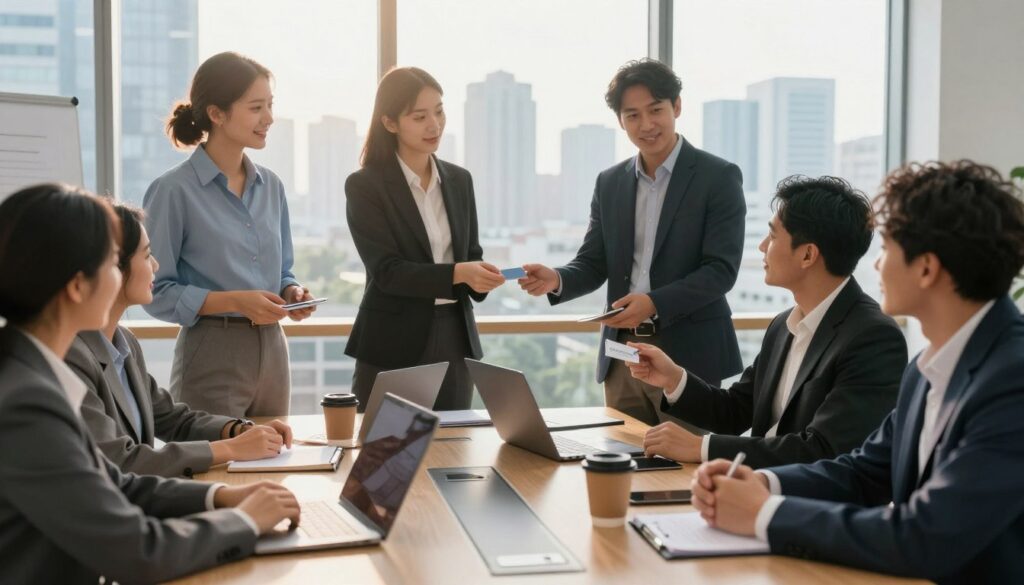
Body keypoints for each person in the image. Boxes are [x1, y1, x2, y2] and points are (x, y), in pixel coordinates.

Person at [691, 161, 1024, 584]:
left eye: (886, 248)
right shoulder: (929, 369)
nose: (876, 265)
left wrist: (764, 513)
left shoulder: (1013, 380)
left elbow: (926, 536)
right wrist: (760, 482)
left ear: (926, 268)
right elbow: (862, 472)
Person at [0, 183, 300, 583]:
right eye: (111, 262)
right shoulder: (25, 403)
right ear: (76, 286)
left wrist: (220, 496)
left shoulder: (29, 372)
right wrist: (243, 521)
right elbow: (138, 551)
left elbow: (115, 483)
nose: (147, 269)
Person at [519, 59, 745, 426]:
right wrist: (556, 279)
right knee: (622, 470)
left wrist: (653, 303)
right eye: (633, 115)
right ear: (621, 121)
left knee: (681, 475)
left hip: (689, 358)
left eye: (656, 110)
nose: (646, 125)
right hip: (621, 353)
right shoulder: (610, 182)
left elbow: (720, 271)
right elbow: (594, 262)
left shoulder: (717, 177)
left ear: (677, 106)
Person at [627, 176, 907, 468]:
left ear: (808, 255)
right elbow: (735, 411)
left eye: (772, 237)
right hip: (757, 491)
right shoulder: (784, 325)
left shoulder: (872, 338)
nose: (762, 247)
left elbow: (824, 450)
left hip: (808, 505)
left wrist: (702, 448)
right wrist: (673, 378)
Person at [66, 203, 295, 478]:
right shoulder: (72, 357)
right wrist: (231, 449)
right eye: (147, 255)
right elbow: (119, 461)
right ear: (112, 266)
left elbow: (174, 418)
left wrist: (239, 429)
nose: (156, 265)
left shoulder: (123, 341)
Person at [144, 51, 316, 417]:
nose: (269, 118)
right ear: (217, 114)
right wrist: (235, 301)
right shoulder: (174, 191)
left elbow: (283, 270)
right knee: (215, 469)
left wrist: (292, 291)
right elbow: (155, 292)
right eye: (256, 108)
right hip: (211, 351)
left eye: (270, 105)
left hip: (272, 350)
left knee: (273, 461)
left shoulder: (272, 187)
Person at [345, 67, 503, 411]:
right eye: (419, 117)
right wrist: (459, 273)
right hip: (392, 339)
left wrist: (485, 277)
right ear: (390, 123)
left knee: (454, 451)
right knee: (386, 458)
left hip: (455, 337)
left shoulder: (460, 181)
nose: (434, 125)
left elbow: (469, 254)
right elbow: (387, 272)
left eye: (439, 111)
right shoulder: (366, 186)